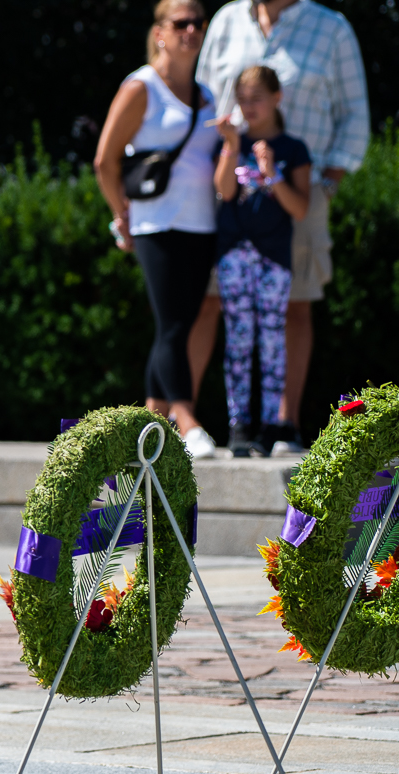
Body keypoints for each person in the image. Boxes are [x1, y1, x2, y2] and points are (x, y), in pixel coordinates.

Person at [191, 0, 369, 454]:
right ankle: (186, 423)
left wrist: (327, 184)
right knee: (209, 305)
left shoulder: (331, 27)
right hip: (228, 198)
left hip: (301, 197)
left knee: (297, 307)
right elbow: (204, 101)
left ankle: (283, 427)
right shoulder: (228, 20)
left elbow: (355, 115)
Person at [95, 0, 218, 458]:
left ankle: (151, 420)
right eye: (180, 22)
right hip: (155, 224)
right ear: (160, 32)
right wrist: (120, 214)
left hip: (201, 223)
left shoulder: (206, 94)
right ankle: (185, 419)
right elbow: (105, 160)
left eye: (197, 23)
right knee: (172, 324)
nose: (191, 30)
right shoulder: (141, 86)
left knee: (182, 323)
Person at [213, 66, 311, 457]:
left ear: (276, 98)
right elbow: (223, 190)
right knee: (238, 338)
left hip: (274, 257)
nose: (249, 107)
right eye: (243, 100)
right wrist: (230, 146)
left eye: (256, 98)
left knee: (272, 340)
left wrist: (270, 175)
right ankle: (239, 425)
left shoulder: (293, 149)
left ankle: (274, 425)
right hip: (234, 252)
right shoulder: (233, 142)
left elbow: (300, 209)